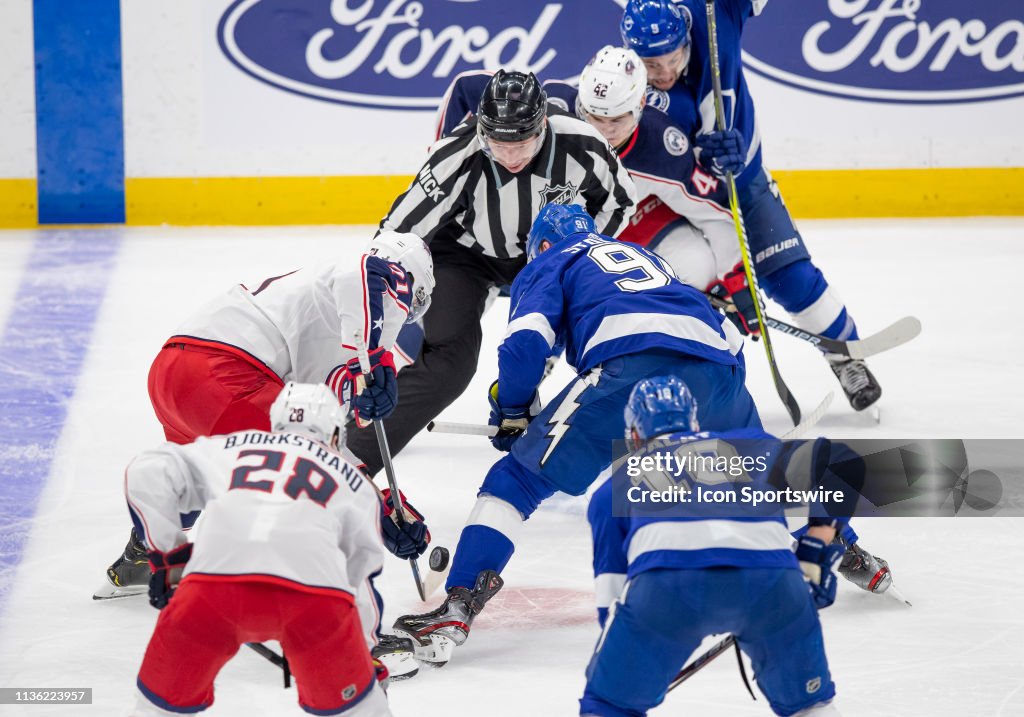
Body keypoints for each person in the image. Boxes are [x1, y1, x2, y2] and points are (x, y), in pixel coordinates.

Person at [390, 203, 761, 665]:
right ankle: (842, 545)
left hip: (627, 371)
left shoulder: (552, 260)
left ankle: (459, 605)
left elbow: (526, 344)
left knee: (515, 482)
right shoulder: (647, 258)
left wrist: (512, 410)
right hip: (719, 371)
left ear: (541, 245)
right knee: (757, 477)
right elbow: (732, 340)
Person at [97, 232, 435, 597]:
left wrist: (380, 502)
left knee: (196, 489)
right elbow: (367, 271)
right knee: (296, 484)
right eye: (411, 305)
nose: (404, 315)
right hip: (224, 374)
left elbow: (317, 436)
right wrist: (374, 504)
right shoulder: (371, 282)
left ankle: (141, 558)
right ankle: (291, 605)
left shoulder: (327, 307)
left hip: (173, 374)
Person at [344, 70, 638, 477]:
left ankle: (625, 432)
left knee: (595, 330)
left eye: (523, 143)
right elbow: (393, 238)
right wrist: (374, 326)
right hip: (466, 255)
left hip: (550, 253)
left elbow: (621, 202)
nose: (511, 157)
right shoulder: (456, 156)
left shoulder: (582, 144)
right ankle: (352, 458)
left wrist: (577, 253)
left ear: (543, 127)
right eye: (499, 144)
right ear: (483, 132)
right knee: (451, 363)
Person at [620, 0, 883, 411]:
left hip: (741, 181)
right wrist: (698, 155)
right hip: (682, 200)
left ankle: (846, 356)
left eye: (673, 59)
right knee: (693, 285)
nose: (665, 73)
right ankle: (690, 388)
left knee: (791, 277)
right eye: (652, 66)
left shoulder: (716, 12)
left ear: (685, 40)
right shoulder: (627, 81)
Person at [126, 382, 429, 717]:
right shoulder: (355, 483)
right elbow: (360, 581)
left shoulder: (230, 447)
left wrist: (168, 557)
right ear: (333, 433)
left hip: (210, 591)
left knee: (154, 711)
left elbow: (147, 472)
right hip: (314, 602)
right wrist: (365, 653)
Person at [581, 375, 846, 717]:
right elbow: (839, 464)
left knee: (608, 706)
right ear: (693, 422)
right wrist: (813, 551)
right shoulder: (752, 445)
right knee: (811, 707)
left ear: (634, 434)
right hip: (771, 585)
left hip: (667, 592)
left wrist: (632, 669)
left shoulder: (611, 492)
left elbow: (611, 602)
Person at [433, 49, 747, 312]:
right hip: (536, 233)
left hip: (622, 228)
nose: (604, 131)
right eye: (595, 117)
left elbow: (712, 212)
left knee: (697, 266)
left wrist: (735, 277)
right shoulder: (551, 112)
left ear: (639, 107)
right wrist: (443, 166)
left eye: (616, 120)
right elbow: (465, 88)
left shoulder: (662, 148)